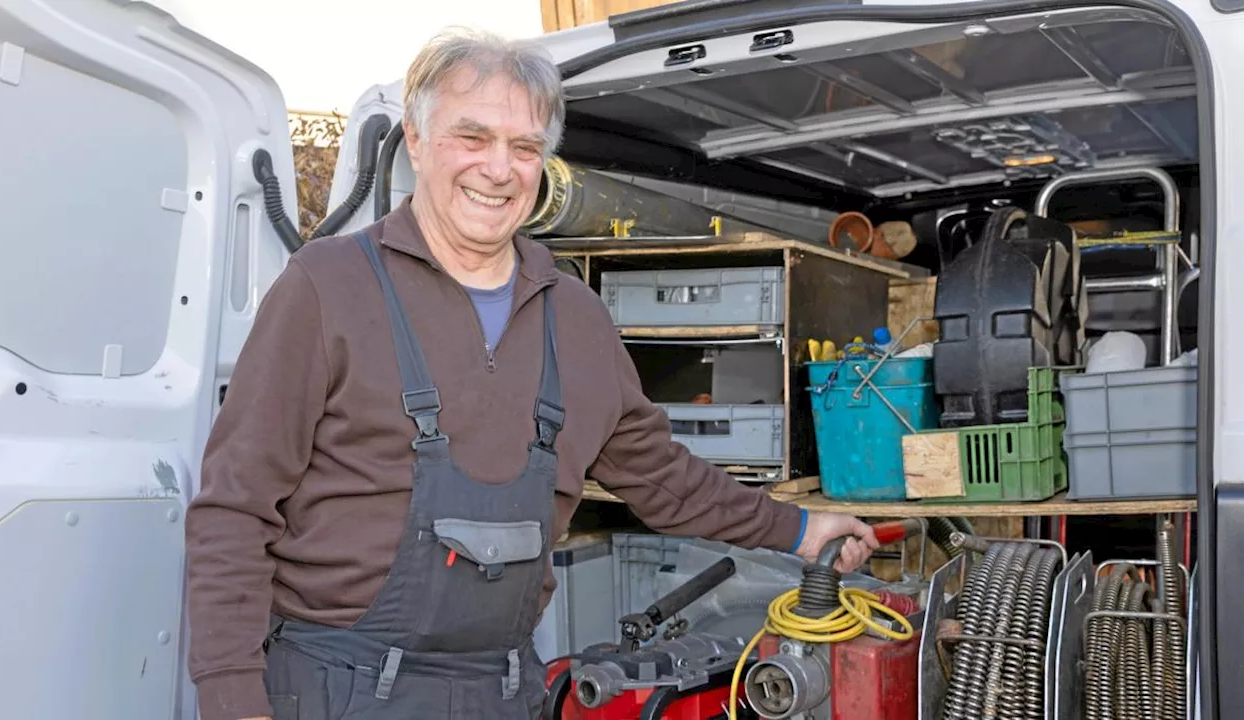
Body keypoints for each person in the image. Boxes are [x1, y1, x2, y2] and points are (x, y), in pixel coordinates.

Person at [184, 26, 880, 720]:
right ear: (418, 143)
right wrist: (232, 697)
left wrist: (797, 530)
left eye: (523, 148)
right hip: (338, 686)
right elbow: (235, 508)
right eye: (472, 137)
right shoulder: (326, 287)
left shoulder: (574, 316)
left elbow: (663, 478)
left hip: (501, 688)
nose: (498, 169)